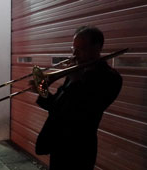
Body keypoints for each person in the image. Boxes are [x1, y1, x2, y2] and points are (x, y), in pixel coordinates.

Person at [32, 26, 123, 170]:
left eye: (81, 48)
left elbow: (83, 112)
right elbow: (55, 108)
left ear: (97, 48)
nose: (74, 54)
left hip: (80, 150)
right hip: (59, 146)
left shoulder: (110, 78)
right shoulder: (78, 72)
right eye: (73, 48)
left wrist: (75, 82)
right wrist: (42, 89)